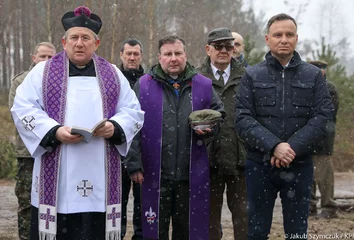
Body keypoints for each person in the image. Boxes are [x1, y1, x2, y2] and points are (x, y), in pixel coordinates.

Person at [10, 6, 144, 240]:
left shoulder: (112, 74)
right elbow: (22, 108)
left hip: (101, 173)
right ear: (64, 42)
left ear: (96, 42)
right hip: (57, 171)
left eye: (85, 38)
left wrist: (115, 127)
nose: (79, 43)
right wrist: (53, 131)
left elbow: (133, 111)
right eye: (74, 38)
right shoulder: (42, 72)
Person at [234, 13, 334, 239]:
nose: (284, 39)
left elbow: (323, 117)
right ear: (267, 39)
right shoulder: (252, 75)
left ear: (297, 38)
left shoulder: (313, 76)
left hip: (299, 166)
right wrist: (274, 146)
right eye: (278, 35)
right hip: (260, 165)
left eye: (289, 35)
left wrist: (291, 148)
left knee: (297, 231)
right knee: (257, 230)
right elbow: (242, 119)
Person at [124, 35, 225, 240]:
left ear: (185, 55)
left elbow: (219, 115)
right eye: (168, 54)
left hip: (190, 175)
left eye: (178, 53)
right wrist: (133, 164)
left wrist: (210, 129)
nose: (173, 58)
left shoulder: (203, 85)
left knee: (187, 232)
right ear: (159, 57)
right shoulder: (143, 85)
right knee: (153, 231)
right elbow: (131, 125)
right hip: (154, 174)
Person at [197, 27, 248, 240]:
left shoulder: (248, 77)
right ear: (208, 49)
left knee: (244, 219)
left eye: (229, 46)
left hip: (241, 160)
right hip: (208, 160)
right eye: (218, 46)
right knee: (209, 221)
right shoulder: (197, 78)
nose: (224, 51)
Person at [9, 42, 56, 240]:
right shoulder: (20, 82)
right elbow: (20, 116)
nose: (45, 61)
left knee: (53, 203)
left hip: (55, 150)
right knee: (27, 201)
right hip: (29, 152)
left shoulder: (59, 82)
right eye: (42, 56)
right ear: (33, 58)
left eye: (50, 58)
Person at [119, 38, 145, 240]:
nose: (132, 57)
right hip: (116, 151)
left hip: (143, 153)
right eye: (128, 53)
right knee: (116, 205)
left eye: (136, 54)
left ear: (141, 56)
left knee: (142, 204)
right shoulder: (112, 79)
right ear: (121, 55)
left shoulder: (148, 81)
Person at [308, 60, 339, 219]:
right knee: (307, 176)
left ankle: (329, 207)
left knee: (323, 176)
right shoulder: (304, 87)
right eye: (316, 69)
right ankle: (310, 206)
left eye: (322, 69)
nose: (320, 71)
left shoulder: (329, 89)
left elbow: (327, 114)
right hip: (306, 141)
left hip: (323, 141)